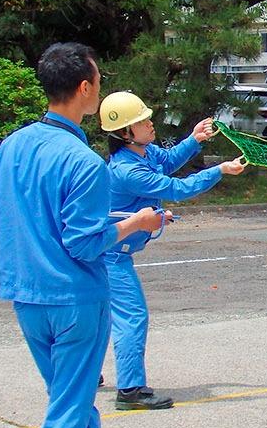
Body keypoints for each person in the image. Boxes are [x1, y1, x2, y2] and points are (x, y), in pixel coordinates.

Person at [0, 43, 167, 428]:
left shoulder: (13, 147)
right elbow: (85, 242)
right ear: (85, 89)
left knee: (69, 398)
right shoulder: (84, 162)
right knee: (66, 406)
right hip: (76, 299)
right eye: (99, 79)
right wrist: (137, 223)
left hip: (25, 295)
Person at [99, 92, 246, 410]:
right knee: (131, 315)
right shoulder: (128, 171)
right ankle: (130, 391)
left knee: (98, 314)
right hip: (108, 254)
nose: (150, 124)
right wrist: (218, 170)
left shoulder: (142, 153)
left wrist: (194, 140)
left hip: (109, 249)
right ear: (125, 133)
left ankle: (83, 372)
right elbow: (177, 188)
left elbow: (165, 161)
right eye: (142, 122)